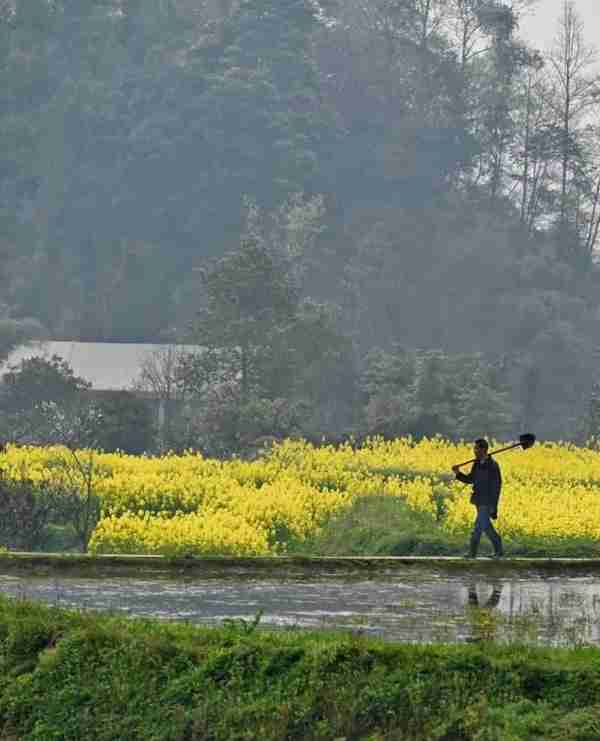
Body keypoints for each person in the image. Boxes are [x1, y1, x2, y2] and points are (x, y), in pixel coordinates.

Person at [452, 438, 503, 559]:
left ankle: (472, 553)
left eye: (477, 448)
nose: (474, 451)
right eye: (474, 448)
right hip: (478, 500)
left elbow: (497, 487)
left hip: (487, 501)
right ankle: (498, 551)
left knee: (478, 527)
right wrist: (458, 473)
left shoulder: (493, 466)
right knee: (486, 527)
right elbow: (470, 479)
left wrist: (493, 506)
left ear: (483, 449)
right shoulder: (477, 464)